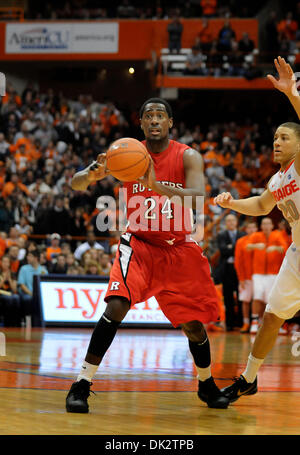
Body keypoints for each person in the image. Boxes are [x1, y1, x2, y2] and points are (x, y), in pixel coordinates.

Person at [66, 97, 230, 413]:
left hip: (178, 247)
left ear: (170, 123)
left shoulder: (188, 156)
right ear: (141, 124)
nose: (154, 120)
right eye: (148, 116)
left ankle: (206, 384)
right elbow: (76, 184)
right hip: (139, 244)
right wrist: (91, 173)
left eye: (160, 116)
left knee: (193, 324)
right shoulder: (126, 153)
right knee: (116, 306)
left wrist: (156, 184)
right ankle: (81, 384)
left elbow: (197, 199)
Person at [214, 56, 300, 402]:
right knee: (270, 316)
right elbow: (263, 205)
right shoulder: (278, 178)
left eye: (284, 138)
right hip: (297, 252)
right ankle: (249, 379)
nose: (276, 143)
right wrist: (233, 203)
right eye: (274, 138)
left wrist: (291, 93)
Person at [246, 217, 287, 334]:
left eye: (268, 223)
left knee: (272, 299)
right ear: (261, 226)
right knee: (257, 296)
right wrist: (256, 246)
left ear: (272, 226)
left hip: (273, 273)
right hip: (258, 273)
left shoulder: (277, 235)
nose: (266, 226)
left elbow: (284, 247)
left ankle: (275, 324)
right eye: (264, 224)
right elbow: (247, 246)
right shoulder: (256, 236)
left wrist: (275, 247)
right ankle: (254, 322)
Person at [216, 214, 245, 331]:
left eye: (233, 221)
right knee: (227, 296)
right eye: (228, 221)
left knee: (241, 296)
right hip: (226, 269)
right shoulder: (221, 235)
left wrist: (230, 247)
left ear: (236, 222)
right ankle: (229, 323)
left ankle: (241, 322)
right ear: (225, 223)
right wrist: (235, 247)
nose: (231, 223)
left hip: (239, 268)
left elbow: (241, 251)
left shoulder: (243, 235)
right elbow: (223, 251)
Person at [234, 220, 258, 333]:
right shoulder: (241, 242)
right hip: (246, 276)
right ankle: (246, 323)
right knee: (245, 301)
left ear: (257, 229)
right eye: (250, 228)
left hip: (260, 275)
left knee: (259, 301)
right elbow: (238, 261)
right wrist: (241, 278)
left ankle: (258, 322)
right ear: (246, 229)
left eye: (254, 227)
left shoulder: (262, 240)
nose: (252, 230)